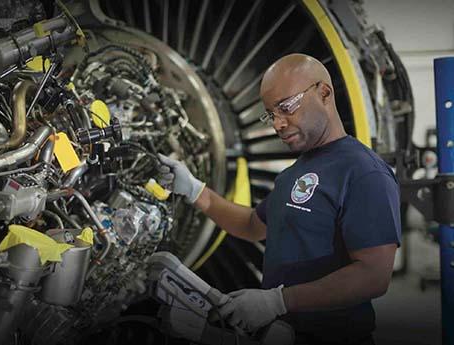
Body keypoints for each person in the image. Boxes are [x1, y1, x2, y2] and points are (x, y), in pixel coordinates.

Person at [158, 53, 401, 345]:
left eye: (286, 107)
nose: (277, 124)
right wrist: (195, 190)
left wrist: (278, 301)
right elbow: (252, 225)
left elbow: (374, 275)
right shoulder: (293, 174)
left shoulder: (363, 172)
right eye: (271, 114)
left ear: (324, 93)